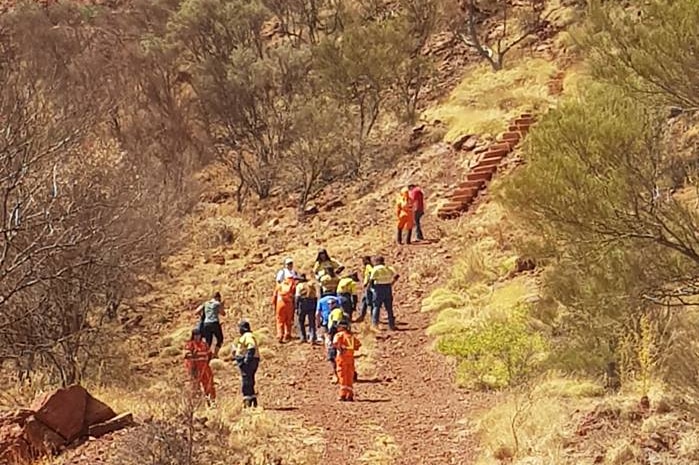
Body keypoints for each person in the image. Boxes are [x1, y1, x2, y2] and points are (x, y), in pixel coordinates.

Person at [184, 328, 216, 405]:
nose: (197, 337)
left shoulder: (204, 344)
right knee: (195, 386)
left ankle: (211, 401)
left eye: (199, 335)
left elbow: (209, 354)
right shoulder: (190, 344)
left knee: (209, 384)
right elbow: (186, 355)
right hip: (194, 368)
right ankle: (196, 403)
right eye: (196, 335)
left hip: (205, 368)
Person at [333, 318, 362, 401]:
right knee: (350, 376)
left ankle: (342, 394)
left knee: (342, 375)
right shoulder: (351, 336)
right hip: (351, 358)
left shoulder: (339, 335)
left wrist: (341, 348)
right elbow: (358, 345)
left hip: (342, 358)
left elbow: (335, 343)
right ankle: (350, 395)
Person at [234, 320, 260, 408]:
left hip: (249, 361)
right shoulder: (246, 336)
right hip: (250, 360)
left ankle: (248, 401)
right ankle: (252, 400)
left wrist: (246, 360)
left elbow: (251, 346)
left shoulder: (248, 336)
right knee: (249, 380)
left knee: (247, 381)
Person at [369, 256, 400, 330]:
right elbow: (397, 275)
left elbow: (371, 280)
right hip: (387, 287)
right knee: (389, 308)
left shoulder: (376, 269)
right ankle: (391, 325)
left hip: (378, 288)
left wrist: (372, 288)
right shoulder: (388, 268)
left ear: (377, 261)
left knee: (376, 306)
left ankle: (375, 325)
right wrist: (392, 282)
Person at [316, 296, 340, 381]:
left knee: (332, 355)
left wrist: (330, 334)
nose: (329, 305)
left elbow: (334, 324)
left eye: (331, 304)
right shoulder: (336, 312)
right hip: (336, 335)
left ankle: (336, 374)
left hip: (334, 335)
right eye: (329, 304)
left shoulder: (336, 312)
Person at [194, 292, 226, 357]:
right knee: (220, 339)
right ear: (218, 297)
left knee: (208, 341)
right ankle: (215, 354)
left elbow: (196, 312)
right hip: (214, 323)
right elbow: (223, 313)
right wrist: (221, 306)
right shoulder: (217, 303)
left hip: (206, 324)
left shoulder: (206, 303)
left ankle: (207, 356)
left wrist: (203, 315)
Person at [272, 275, 297, 343]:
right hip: (289, 304)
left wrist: (274, 305)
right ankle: (287, 334)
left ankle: (280, 335)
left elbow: (274, 297)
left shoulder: (280, 285)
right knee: (288, 320)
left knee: (280, 320)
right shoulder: (293, 285)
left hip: (280, 304)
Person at [295, 274, 319, 344]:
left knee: (301, 320)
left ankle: (303, 337)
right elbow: (315, 296)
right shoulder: (310, 285)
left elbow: (297, 296)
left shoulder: (299, 286)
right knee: (311, 321)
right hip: (312, 302)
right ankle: (312, 338)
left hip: (303, 303)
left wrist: (296, 307)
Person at [357, 256, 374, 322]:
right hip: (368, 285)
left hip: (368, 285)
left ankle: (370, 316)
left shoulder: (368, 266)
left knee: (368, 300)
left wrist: (368, 282)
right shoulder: (370, 266)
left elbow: (372, 272)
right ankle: (362, 315)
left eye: (364, 261)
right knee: (365, 300)